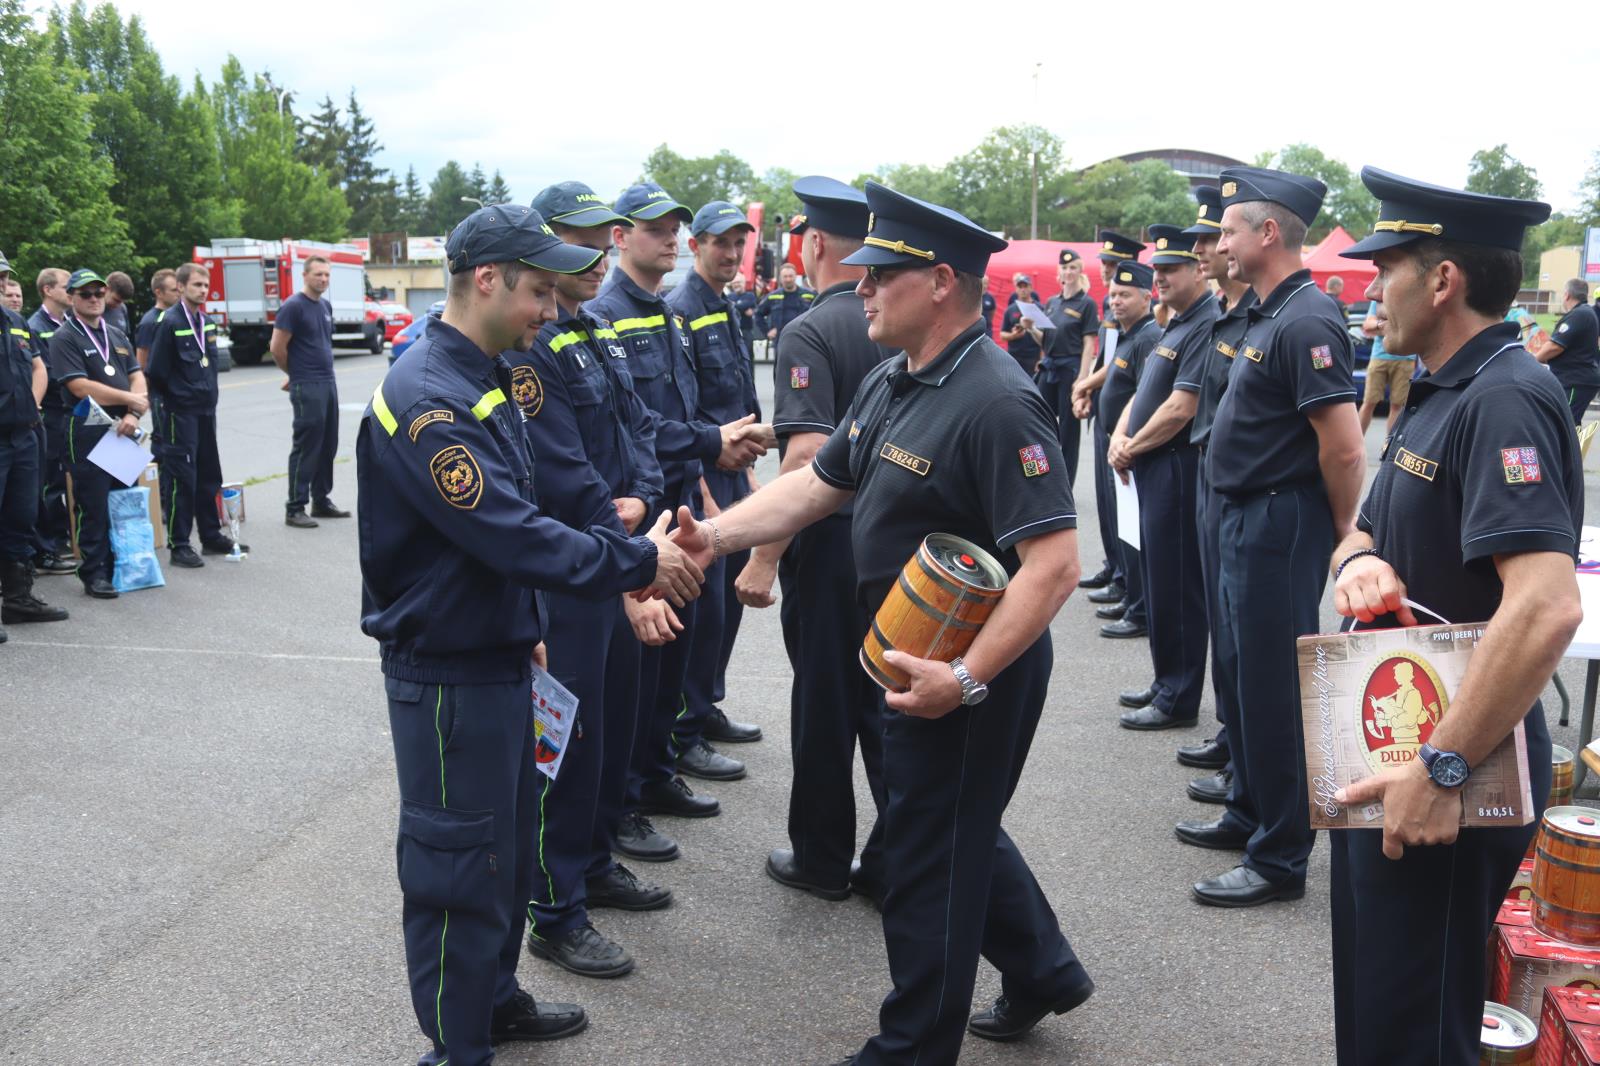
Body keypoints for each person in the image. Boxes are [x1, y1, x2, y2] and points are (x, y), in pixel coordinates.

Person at [671, 181, 1092, 1065]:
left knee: (925, 856)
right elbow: (818, 484)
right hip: (908, 650)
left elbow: (1054, 567)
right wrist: (712, 536)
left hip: (967, 668)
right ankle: (1043, 970)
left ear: (940, 281)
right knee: (939, 821)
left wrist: (967, 678)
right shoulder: (899, 379)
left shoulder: (997, 400)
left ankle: (911, 1046)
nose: (859, 288)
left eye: (880, 275)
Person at [356, 203, 707, 1066]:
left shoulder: (492, 369)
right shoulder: (427, 398)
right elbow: (511, 530)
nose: (551, 310)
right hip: (447, 672)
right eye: (539, 290)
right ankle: (457, 1045)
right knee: (456, 865)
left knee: (507, 855)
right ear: (487, 278)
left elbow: (541, 494)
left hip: (502, 651)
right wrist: (636, 563)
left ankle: (495, 999)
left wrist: (530, 625)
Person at [1327, 166, 1578, 1066]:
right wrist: (1359, 561)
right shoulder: (1439, 386)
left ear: (1442, 281)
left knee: (1415, 1032)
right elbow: (1362, 531)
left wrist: (1441, 767)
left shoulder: (1504, 394)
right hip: (1403, 745)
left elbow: (1547, 607)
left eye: (1387, 264)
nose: (1369, 283)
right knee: (1381, 1009)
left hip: (1455, 766)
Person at [1190, 167, 1365, 907]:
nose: (1219, 241)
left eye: (1229, 230)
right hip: (1241, 515)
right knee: (1239, 676)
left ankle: (1280, 858)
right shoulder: (1267, 312)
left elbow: (1346, 444)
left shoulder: (1308, 319)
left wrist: (1340, 531)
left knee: (1273, 690)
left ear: (1268, 233)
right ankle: (1250, 811)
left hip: (1278, 520)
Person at [513, 181, 672, 980]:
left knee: (610, 725)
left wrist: (643, 498)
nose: (592, 254)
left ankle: (595, 857)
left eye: (597, 239)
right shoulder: (534, 345)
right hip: (578, 568)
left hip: (618, 543)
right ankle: (555, 908)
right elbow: (562, 470)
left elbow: (637, 427)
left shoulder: (594, 330)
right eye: (574, 240)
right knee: (565, 742)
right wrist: (624, 536)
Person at [587, 181, 769, 859]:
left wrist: (704, 470)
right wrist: (704, 448)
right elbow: (637, 427)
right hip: (638, 520)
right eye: (656, 229)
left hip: (674, 504)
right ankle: (629, 795)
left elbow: (671, 418)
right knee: (638, 670)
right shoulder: (607, 313)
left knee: (671, 658)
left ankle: (656, 774)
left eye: (673, 228)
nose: (669, 239)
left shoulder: (660, 312)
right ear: (621, 237)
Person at [733, 175, 891, 906]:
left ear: (816, 243)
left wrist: (763, 558)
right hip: (895, 544)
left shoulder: (810, 329)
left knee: (826, 706)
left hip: (828, 547)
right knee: (887, 704)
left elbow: (805, 459)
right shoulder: (899, 319)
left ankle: (821, 858)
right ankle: (898, 857)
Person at [665, 201, 769, 786]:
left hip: (734, 472)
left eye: (738, 244)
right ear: (696, 245)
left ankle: (707, 705)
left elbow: (737, 396)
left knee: (727, 605)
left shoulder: (724, 304)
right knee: (705, 611)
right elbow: (690, 409)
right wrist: (705, 494)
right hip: (706, 475)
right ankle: (685, 730)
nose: (730, 254)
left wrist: (749, 481)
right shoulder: (682, 308)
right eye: (720, 244)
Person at [1107, 224, 1216, 730]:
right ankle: (1164, 678)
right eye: (1159, 270)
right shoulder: (1174, 321)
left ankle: (1178, 696)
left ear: (1199, 269)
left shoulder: (1204, 322)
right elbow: (1148, 387)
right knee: (1158, 579)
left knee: (1175, 587)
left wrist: (1133, 443)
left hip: (1175, 467)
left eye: (1173, 269)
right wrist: (1123, 430)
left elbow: (1181, 408)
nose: (1163, 277)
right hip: (1152, 465)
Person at [1170, 185, 1258, 812]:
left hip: (1252, 495)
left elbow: (1339, 446)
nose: (1207, 248)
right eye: (1204, 239)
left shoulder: (1267, 314)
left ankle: (1251, 776)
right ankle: (1234, 742)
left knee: (1251, 647)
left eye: (1215, 237)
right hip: (1215, 477)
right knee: (1227, 636)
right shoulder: (1234, 312)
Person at [46, 269, 147, 599]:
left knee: (123, 499)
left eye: (98, 293)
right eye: (85, 294)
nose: (93, 299)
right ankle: (94, 573)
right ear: (72, 297)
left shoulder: (117, 333)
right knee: (93, 505)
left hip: (123, 427)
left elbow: (137, 376)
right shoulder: (65, 337)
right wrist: (131, 399)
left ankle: (126, 564)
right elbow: (79, 387)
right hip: (88, 430)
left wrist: (133, 410)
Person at [146, 262, 240, 566]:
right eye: (196, 285)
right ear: (182, 287)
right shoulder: (169, 322)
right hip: (180, 413)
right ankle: (180, 544)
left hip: (205, 412)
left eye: (205, 285)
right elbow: (157, 372)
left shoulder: (207, 322)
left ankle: (211, 536)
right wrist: (177, 398)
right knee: (182, 479)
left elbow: (210, 366)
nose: (202, 290)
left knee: (209, 475)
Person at [1072, 229, 1146, 606]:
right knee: (1104, 500)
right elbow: (1109, 359)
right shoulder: (1111, 306)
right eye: (1105, 264)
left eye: (1114, 266)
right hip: (1106, 411)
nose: (1106, 272)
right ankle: (1113, 564)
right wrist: (1088, 388)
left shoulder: (1138, 310)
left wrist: (1085, 384)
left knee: (1121, 506)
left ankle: (1123, 575)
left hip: (1121, 419)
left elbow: (1118, 367)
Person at [1088, 258, 1160, 640]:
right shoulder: (1128, 335)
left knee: (1135, 534)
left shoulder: (1148, 337)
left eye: (1125, 294)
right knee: (1121, 526)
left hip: (1131, 447)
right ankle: (1130, 593)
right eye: (1113, 294)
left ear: (1147, 298)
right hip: (1114, 440)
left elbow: (1145, 397)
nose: (1116, 301)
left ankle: (1140, 607)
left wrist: (1127, 441)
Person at [0, 248, 68, 639]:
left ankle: (17, 599)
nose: (5, 284)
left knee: (20, 518)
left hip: (23, 435)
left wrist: (33, 405)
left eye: (5, 277)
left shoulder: (15, 321)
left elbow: (38, 366)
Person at [271, 255, 350, 528]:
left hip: (328, 382)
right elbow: (277, 347)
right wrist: (294, 375)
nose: (323, 279)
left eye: (327, 275)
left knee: (328, 444)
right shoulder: (293, 306)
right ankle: (295, 507)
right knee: (307, 446)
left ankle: (321, 500)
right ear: (304, 276)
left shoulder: (325, 306)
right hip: (307, 384)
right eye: (318, 274)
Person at [28, 267, 75, 577]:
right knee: (53, 480)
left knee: (74, 474)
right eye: (66, 286)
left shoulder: (71, 321)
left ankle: (68, 535)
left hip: (76, 410)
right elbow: (47, 372)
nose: (72, 291)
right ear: (48, 290)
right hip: (54, 412)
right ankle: (51, 543)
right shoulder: (35, 325)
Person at [1040, 249, 1099, 488]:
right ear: (1059, 272)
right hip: (1050, 365)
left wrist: (1083, 378)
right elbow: (1044, 341)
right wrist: (1031, 327)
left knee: (1068, 430)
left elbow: (1088, 343)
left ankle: (1064, 486)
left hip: (1071, 368)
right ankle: (1041, 478)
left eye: (1072, 267)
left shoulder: (1087, 303)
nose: (1068, 272)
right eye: (1064, 268)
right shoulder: (1052, 302)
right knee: (1038, 419)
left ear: (1079, 270)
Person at [1532, 278, 1600, 423]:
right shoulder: (1585, 313)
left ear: (1567, 295)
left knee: (1563, 422)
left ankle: (1571, 446)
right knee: (1571, 423)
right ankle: (1576, 445)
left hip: (1575, 380)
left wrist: (1531, 360)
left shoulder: (1579, 315)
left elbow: (1555, 346)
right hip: (1579, 379)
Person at [1356, 300, 1416, 435]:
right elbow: (1367, 325)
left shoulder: (1411, 295)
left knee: (1397, 405)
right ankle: (1355, 447)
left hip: (1405, 358)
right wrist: (1387, 325)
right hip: (1379, 357)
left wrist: (1379, 326)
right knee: (1369, 402)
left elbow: (1412, 326)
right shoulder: (1379, 299)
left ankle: (1388, 450)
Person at [998, 273, 1050, 375]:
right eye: (1020, 287)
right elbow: (1002, 335)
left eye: (1025, 286)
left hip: (1034, 357)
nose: (1023, 289)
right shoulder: (1010, 310)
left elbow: (1048, 337)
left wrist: (1042, 359)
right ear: (1016, 289)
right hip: (1014, 357)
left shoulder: (1040, 309)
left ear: (1031, 288)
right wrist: (1014, 335)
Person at [755, 261, 816, 347]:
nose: (788, 279)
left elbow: (819, 314)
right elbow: (758, 314)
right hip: (781, 341)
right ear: (780, 278)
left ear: (795, 276)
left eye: (790, 276)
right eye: (785, 277)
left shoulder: (809, 295)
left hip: (804, 339)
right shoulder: (773, 296)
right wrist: (767, 331)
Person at [135, 269, 179, 370]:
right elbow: (141, 364)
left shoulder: (178, 317)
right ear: (159, 293)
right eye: (174, 290)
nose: (179, 294)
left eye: (179, 289)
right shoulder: (149, 322)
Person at [728, 272, 760, 362]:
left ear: (744, 283)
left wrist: (733, 306)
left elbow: (747, 304)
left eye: (739, 282)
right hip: (732, 332)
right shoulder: (728, 296)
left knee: (748, 358)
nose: (736, 284)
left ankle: (750, 376)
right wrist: (741, 307)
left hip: (746, 332)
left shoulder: (750, 296)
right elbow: (728, 308)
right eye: (734, 283)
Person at [103, 271, 134, 337]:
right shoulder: (91, 309)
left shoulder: (122, 308)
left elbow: (125, 336)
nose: (119, 305)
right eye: (116, 300)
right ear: (106, 289)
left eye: (122, 302)